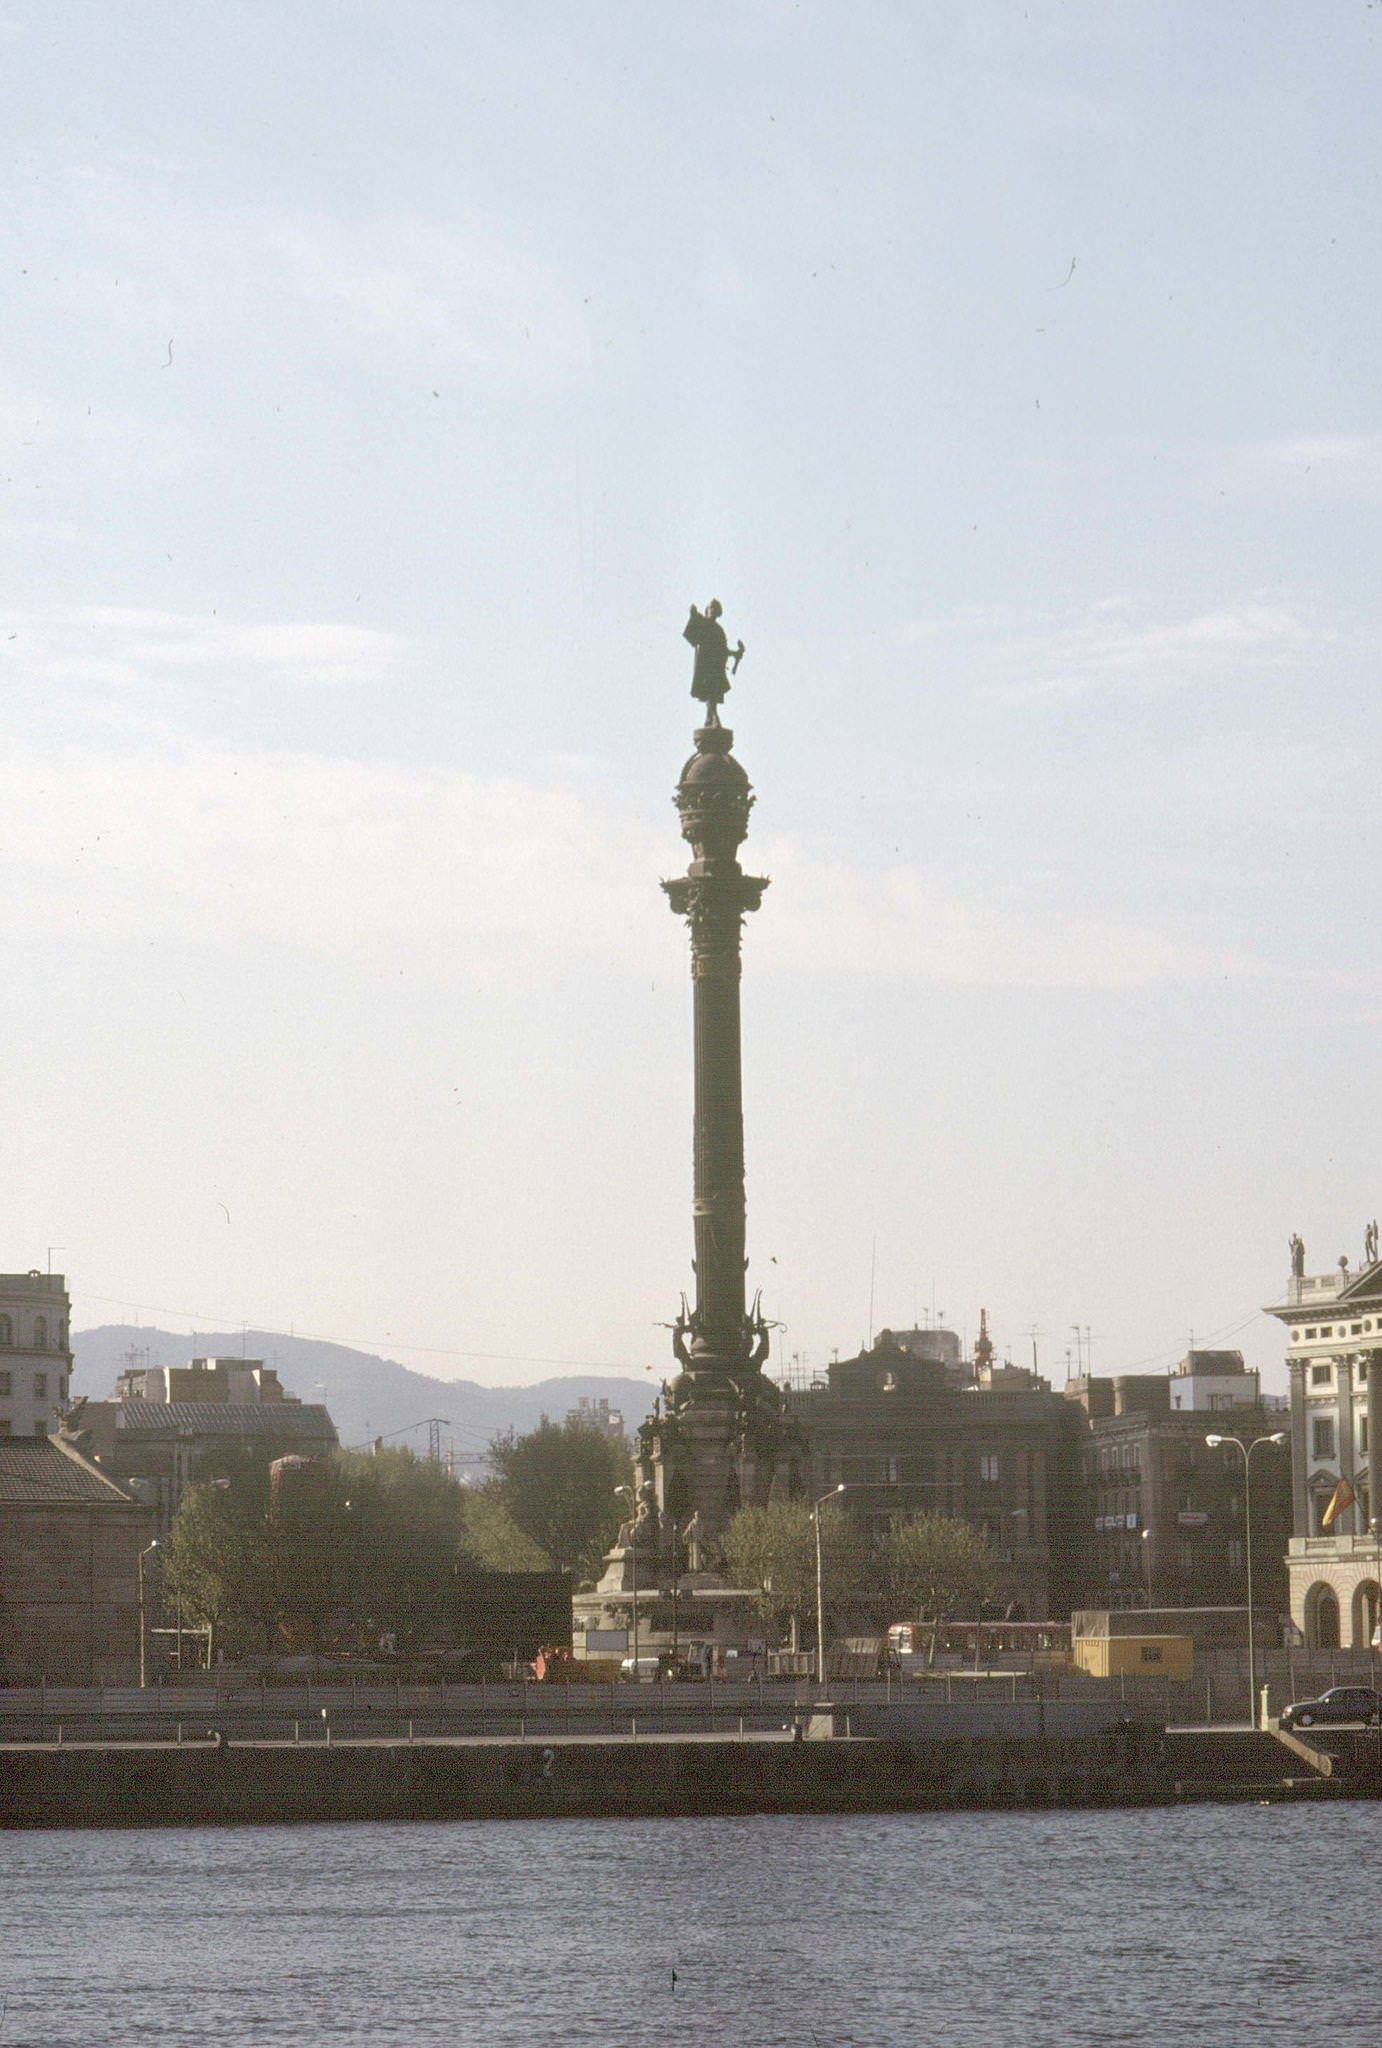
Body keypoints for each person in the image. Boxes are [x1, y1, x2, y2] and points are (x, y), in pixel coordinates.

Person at [683, 600, 744, 722]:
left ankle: (709, 718)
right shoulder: (703, 623)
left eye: (715, 609)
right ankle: (714, 717)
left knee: (714, 693)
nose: (713, 610)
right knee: (711, 692)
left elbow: (723, 650)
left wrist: (735, 653)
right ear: (707, 609)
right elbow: (692, 635)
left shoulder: (719, 630)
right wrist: (693, 615)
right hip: (705, 666)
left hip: (716, 667)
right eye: (711, 608)